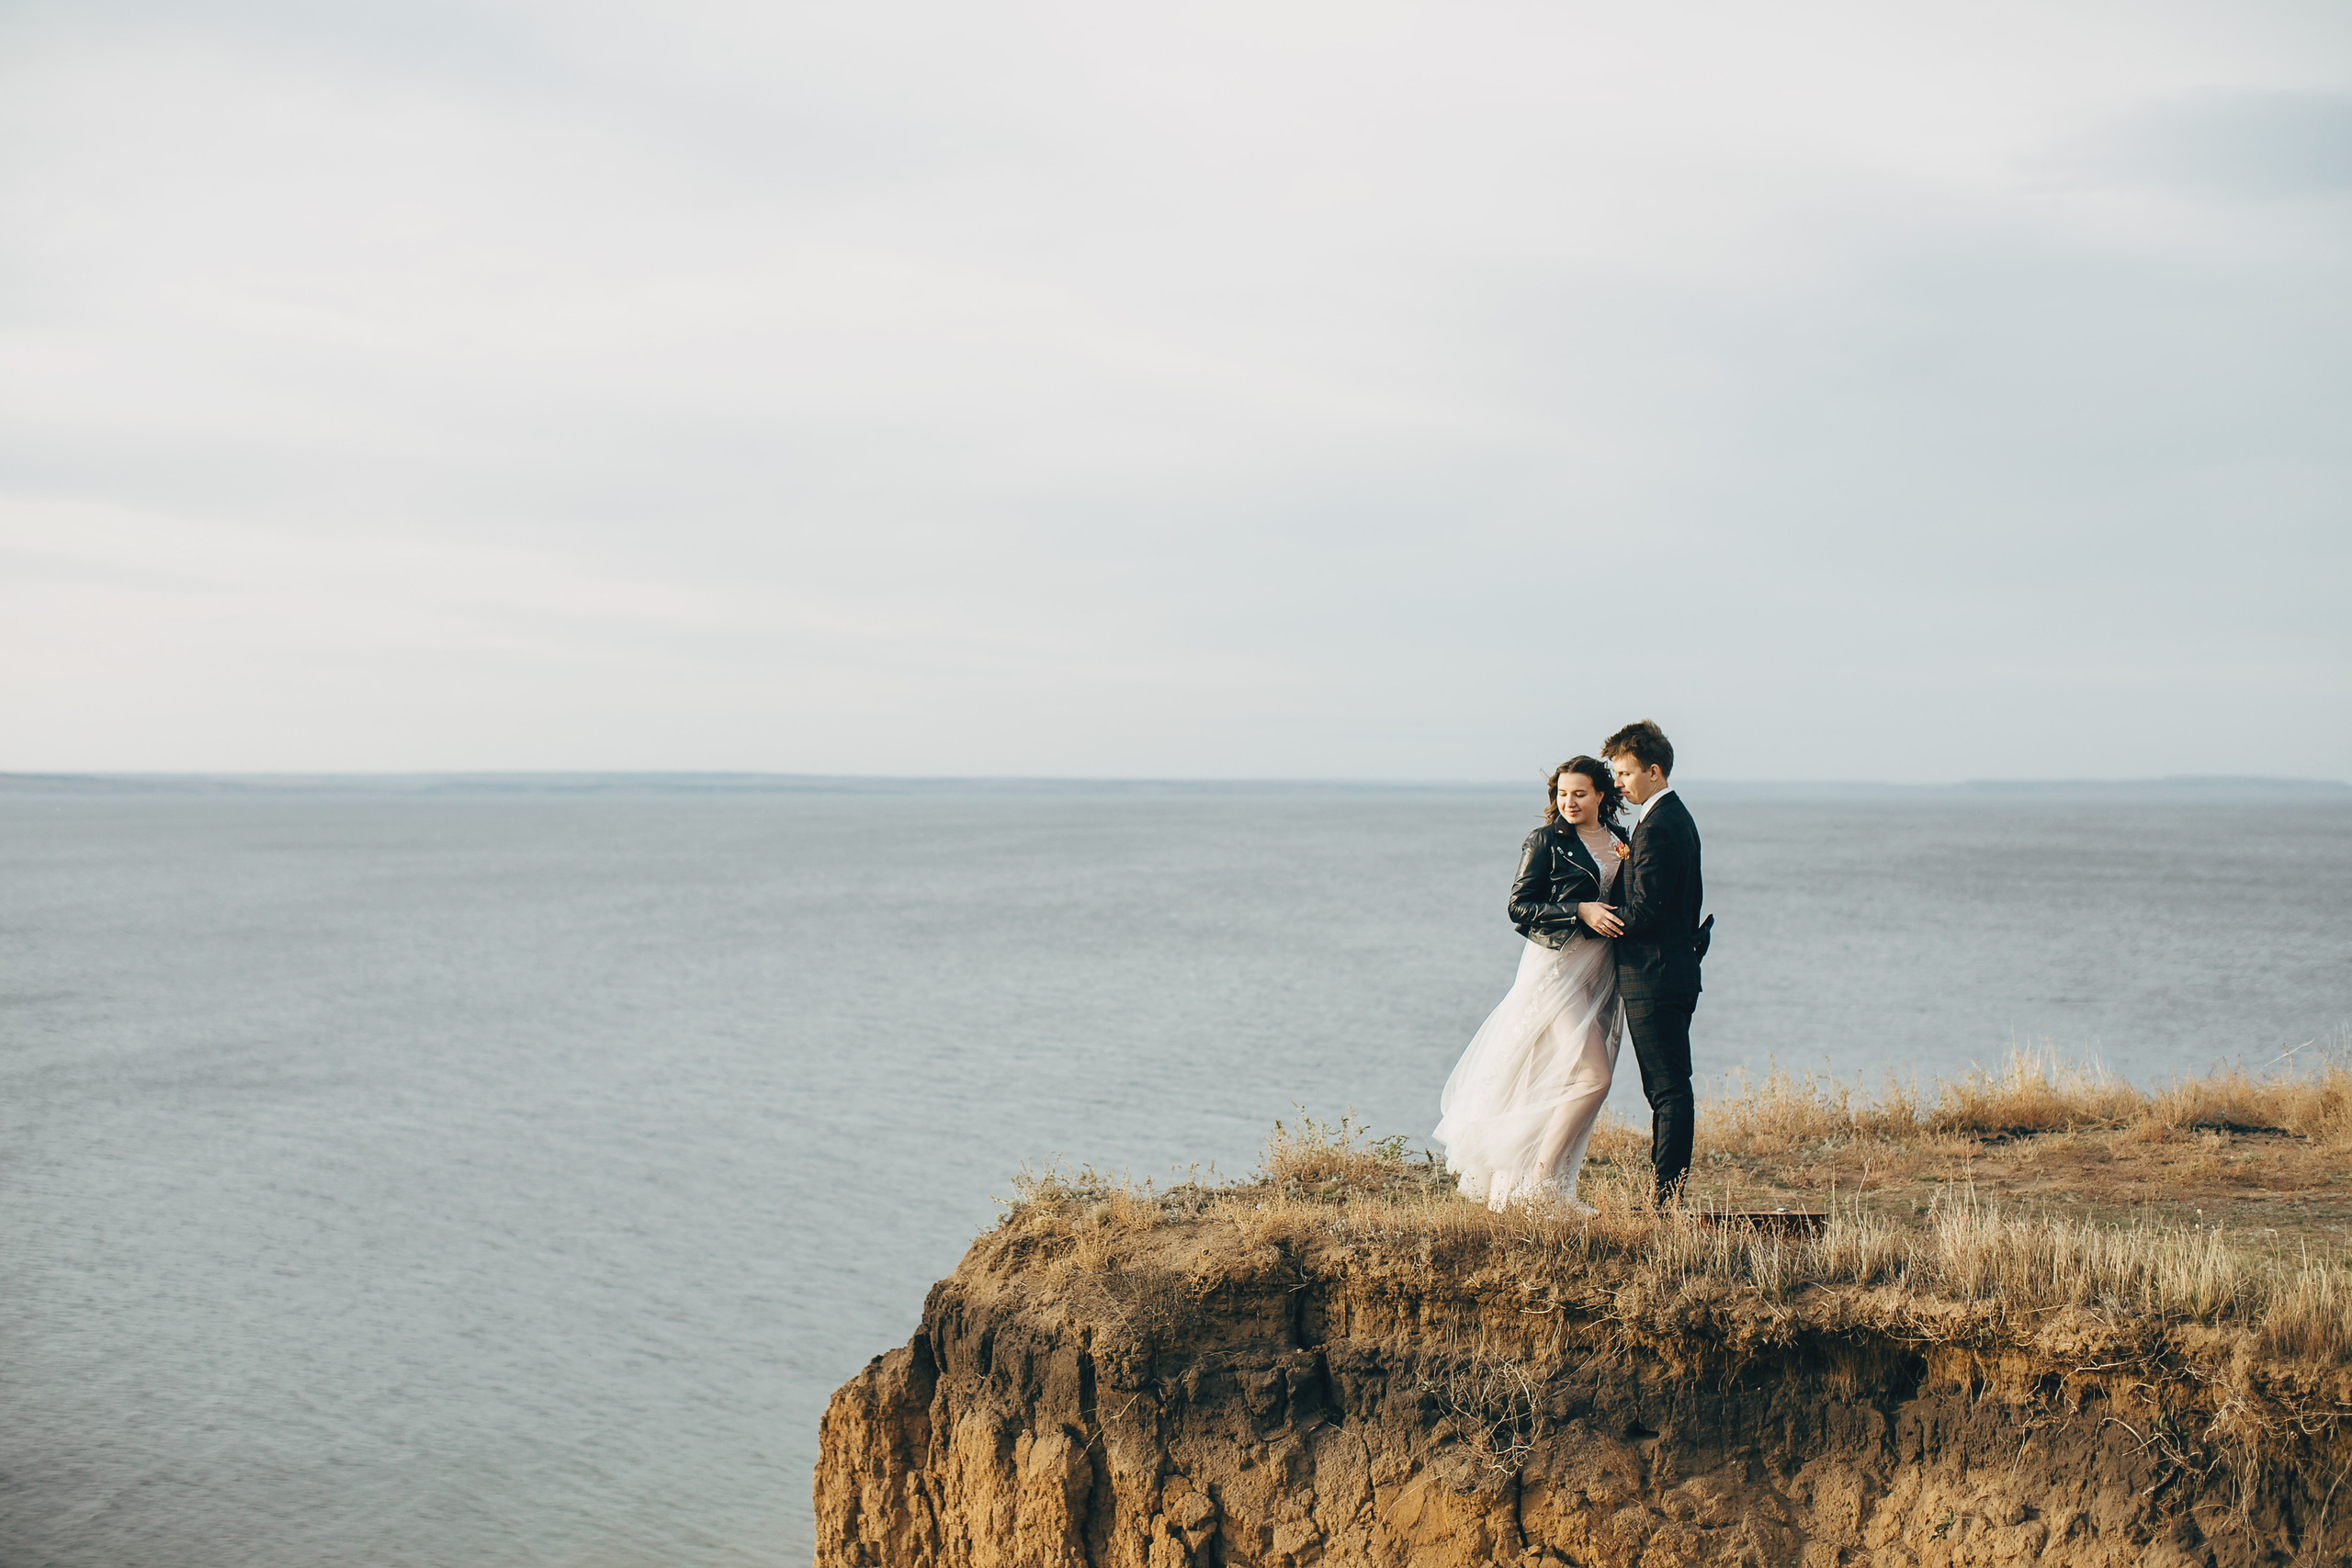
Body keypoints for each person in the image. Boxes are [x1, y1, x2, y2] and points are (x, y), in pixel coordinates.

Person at [1432, 757, 1630, 1212]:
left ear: (1601, 795)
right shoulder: (1546, 841)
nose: (1569, 802)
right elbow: (1519, 907)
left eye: (1579, 793)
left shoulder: (1620, 840)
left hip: (1599, 972)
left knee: (1560, 1079)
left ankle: (1546, 1190)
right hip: (1555, 971)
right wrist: (1579, 910)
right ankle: (1540, 1180)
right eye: (1562, 794)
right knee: (1594, 1077)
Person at [1602, 719, 1708, 1206]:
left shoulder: (1662, 825)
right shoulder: (1663, 817)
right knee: (1667, 1089)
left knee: (1668, 1092)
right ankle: (1665, 1196)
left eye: (1624, 774)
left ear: (1654, 771)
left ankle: (1664, 1202)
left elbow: (1646, 911)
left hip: (1657, 976)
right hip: (1669, 970)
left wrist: (1590, 920)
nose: (1618, 783)